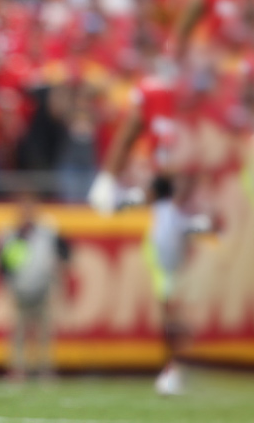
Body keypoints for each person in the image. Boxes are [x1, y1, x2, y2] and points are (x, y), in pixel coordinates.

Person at [86, 64, 206, 396]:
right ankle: (176, 366)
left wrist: (137, 195)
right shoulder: (154, 95)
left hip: (215, 197)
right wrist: (108, 179)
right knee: (169, 290)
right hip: (171, 203)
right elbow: (128, 136)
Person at [0, 190, 71, 382]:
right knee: (18, 334)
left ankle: (45, 372)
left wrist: (59, 276)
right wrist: (6, 282)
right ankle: (18, 372)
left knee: (44, 334)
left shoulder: (48, 229)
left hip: (44, 287)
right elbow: (1, 263)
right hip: (19, 289)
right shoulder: (8, 232)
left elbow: (65, 252)